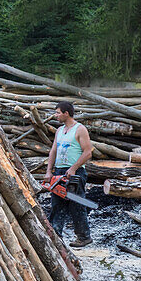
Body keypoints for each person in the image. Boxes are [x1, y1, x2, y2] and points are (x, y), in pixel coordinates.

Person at [44, 101, 94, 247]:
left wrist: (73, 168)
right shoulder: (59, 130)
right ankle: (55, 235)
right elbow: (53, 151)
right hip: (59, 171)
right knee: (57, 204)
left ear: (66, 113)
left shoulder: (80, 129)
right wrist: (49, 171)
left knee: (76, 204)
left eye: (58, 112)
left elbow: (88, 152)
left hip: (75, 173)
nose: (56, 115)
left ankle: (84, 237)